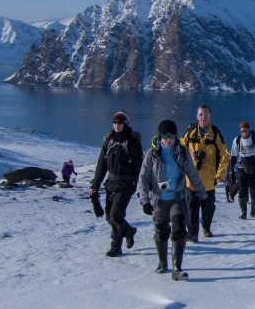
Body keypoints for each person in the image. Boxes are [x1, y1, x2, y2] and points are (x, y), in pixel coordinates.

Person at [138, 119, 207, 281]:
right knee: (161, 231)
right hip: (159, 199)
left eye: (172, 136)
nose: (169, 139)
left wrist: (202, 194)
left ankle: (177, 268)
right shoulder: (152, 154)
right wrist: (145, 201)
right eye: (165, 136)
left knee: (178, 229)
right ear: (160, 136)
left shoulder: (182, 152)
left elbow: (192, 174)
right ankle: (162, 263)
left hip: (177, 197)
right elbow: (143, 178)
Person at [88, 111, 144, 258]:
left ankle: (115, 247)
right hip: (111, 183)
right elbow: (101, 166)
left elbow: (140, 166)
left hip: (126, 183)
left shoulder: (132, 142)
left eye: (119, 123)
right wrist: (95, 185)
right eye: (114, 122)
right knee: (109, 216)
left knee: (116, 214)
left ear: (125, 124)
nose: (116, 125)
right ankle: (129, 231)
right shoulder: (109, 141)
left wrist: (142, 186)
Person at [180, 104, 230, 240]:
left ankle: (206, 228)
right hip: (192, 180)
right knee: (192, 208)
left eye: (206, 115)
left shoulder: (215, 133)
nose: (203, 118)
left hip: (209, 179)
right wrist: (190, 154)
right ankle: (192, 234)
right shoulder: (190, 131)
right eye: (201, 115)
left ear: (210, 117)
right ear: (197, 116)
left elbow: (225, 155)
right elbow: (180, 147)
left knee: (208, 208)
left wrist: (221, 174)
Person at [227, 120, 255, 219]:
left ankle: (253, 207)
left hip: (254, 167)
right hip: (242, 167)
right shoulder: (237, 140)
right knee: (242, 188)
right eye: (242, 131)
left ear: (249, 130)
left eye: (246, 131)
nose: (244, 133)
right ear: (240, 131)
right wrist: (231, 170)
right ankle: (243, 212)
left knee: (253, 190)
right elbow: (233, 156)